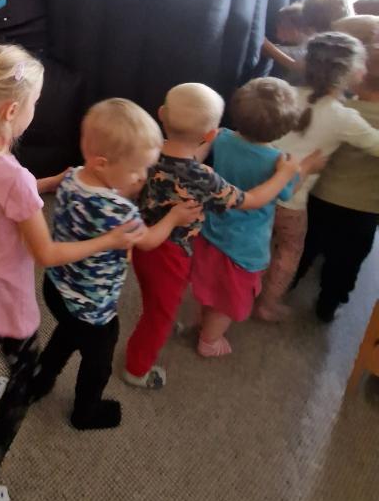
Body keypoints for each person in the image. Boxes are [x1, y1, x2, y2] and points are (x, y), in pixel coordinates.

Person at [0, 44, 140, 501]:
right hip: (7, 294)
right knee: (23, 384)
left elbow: (6, 192)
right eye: (34, 103)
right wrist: (109, 240)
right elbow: (46, 253)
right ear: (11, 111)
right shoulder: (13, 179)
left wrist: (47, 182)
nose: (34, 111)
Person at [30, 99, 201, 428]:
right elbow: (148, 240)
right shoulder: (120, 213)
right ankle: (86, 412)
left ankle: (38, 382)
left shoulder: (71, 177)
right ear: (102, 163)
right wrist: (175, 218)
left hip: (57, 286)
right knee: (98, 362)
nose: (142, 178)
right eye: (136, 171)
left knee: (66, 334)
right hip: (94, 305)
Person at [123, 82, 302, 388]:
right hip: (169, 252)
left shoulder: (149, 151)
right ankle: (136, 369)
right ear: (209, 134)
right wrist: (286, 174)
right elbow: (251, 200)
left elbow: (166, 171)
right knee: (158, 316)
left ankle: (169, 318)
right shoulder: (204, 178)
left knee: (159, 299)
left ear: (161, 114)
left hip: (143, 240)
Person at [191, 79, 323, 355]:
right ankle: (209, 341)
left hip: (210, 229)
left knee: (211, 283)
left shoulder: (222, 137)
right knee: (227, 300)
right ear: (285, 127)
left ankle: (204, 324)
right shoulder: (278, 161)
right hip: (244, 246)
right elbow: (286, 193)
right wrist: (305, 168)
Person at [255, 32, 379, 321]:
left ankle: (244, 289)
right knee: (290, 250)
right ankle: (267, 304)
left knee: (257, 243)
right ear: (351, 73)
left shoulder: (284, 92)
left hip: (258, 189)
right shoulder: (345, 117)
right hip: (292, 201)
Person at [293, 43, 379, 321]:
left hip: (320, 196)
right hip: (365, 208)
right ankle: (328, 305)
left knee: (306, 246)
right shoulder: (345, 117)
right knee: (347, 262)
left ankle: (288, 283)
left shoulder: (340, 108)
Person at [261, 2, 312, 81]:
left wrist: (261, 38)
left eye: (282, 26)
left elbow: (263, 47)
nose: (278, 33)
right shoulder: (304, 43)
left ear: (297, 28)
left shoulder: (302, 51)